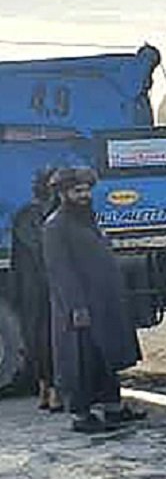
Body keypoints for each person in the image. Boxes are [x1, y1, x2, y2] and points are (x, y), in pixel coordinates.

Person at [43, 167, 144, 433]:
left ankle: (113, 409)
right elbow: (60, 271)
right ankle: (81, 415)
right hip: (79, 307)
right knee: (81, 361)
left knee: (105, 356)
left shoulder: (87, 220)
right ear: (64, 194)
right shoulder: (56, 226)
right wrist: (76, 307)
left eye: (87, 190)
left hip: (103, 303)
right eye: (78, 191)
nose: (84, 195)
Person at [14, 168, 58, 411]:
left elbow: (19, 260)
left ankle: (45, 388)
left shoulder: (23, 215)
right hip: (48, 284)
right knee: (52, 338)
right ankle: (52, 390)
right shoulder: (56, 216)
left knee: (37, 338)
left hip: (31, 286)